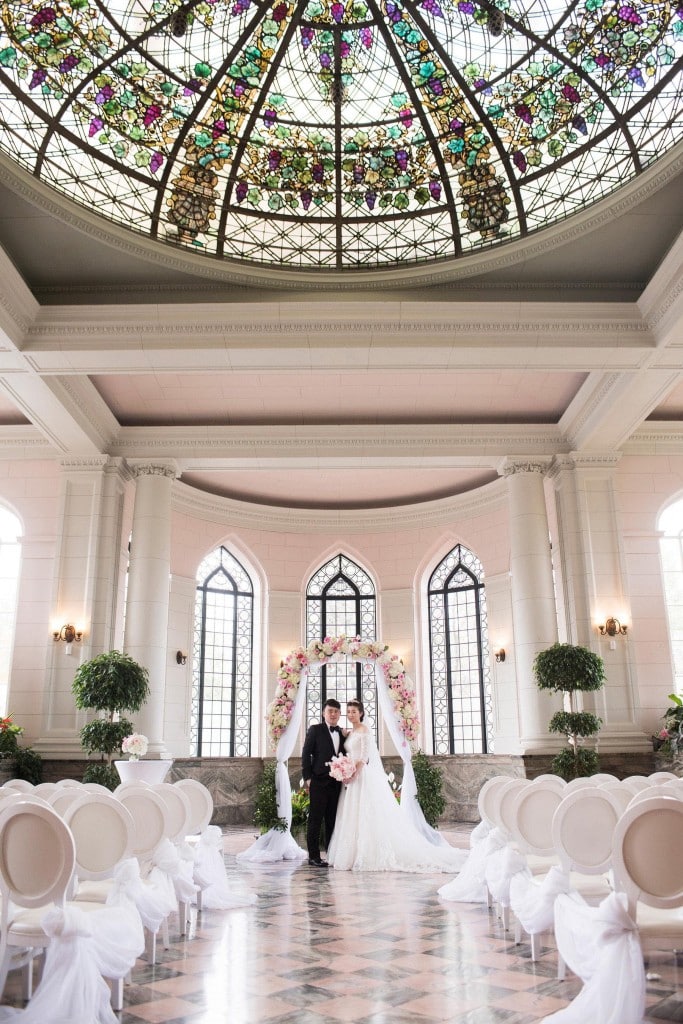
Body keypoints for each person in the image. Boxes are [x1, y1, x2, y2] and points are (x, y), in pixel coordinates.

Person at [327, 699, 465, 872]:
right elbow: (348, 746)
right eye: (349, 712)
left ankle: (367, 854)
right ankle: (351, 853)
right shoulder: (350, 731)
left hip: (361, 776)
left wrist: (353, 773)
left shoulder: (364, 731)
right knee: (352, 814)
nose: (351, 714)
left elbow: (363, 757)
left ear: (361, 713)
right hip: (351, 778)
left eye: (354, 711)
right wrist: (345, 770)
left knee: (367, 814)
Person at [301, 698, 346, 867]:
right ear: (323, 713)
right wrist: (308, 778)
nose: (333, 714)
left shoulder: (342, 732)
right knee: (315, 819)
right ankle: (313, 856)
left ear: (340, 714)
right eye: (330, 711)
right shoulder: (315, 730)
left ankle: (331, 853)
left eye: (336, 711)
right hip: (318, 781)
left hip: (336, 783)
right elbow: (306, 754)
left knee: (332, 820)